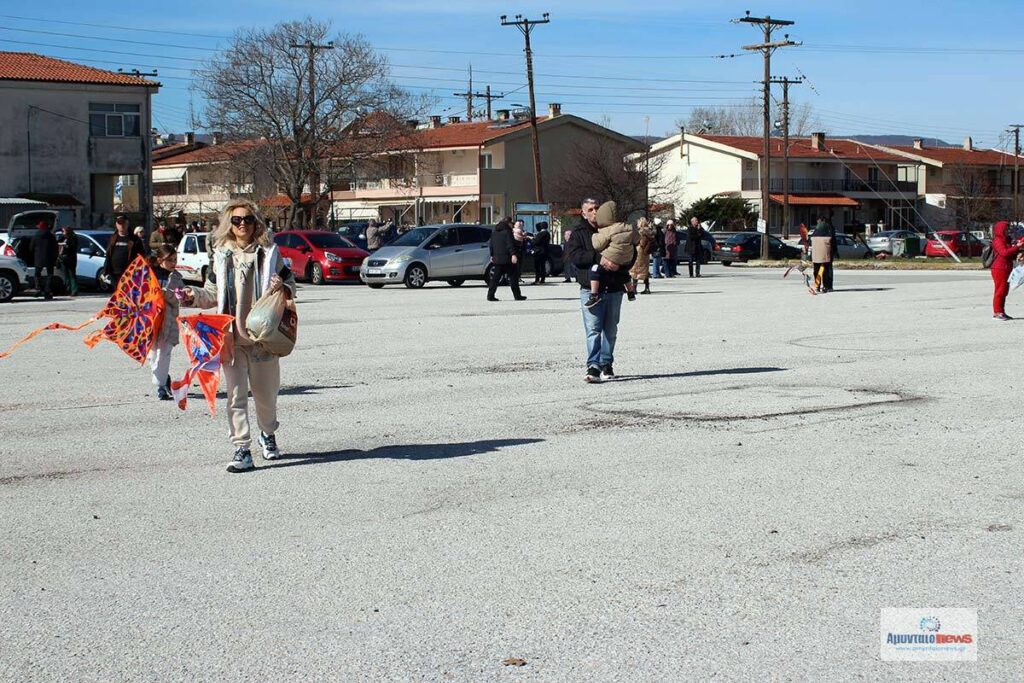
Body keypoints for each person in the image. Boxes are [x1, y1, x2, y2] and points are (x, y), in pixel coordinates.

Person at [179, 200, 296, 472]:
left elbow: (291, 284)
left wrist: (283, 289)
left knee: (266, 396)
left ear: (256, 223)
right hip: (230, 339)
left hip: (262, 338)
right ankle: (242, 448)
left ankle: (267, 433)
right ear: (228, 225)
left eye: (247, 219)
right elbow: (210, 294)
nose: (242, 224)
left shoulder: (269, 254)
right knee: (235, 396)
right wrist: (191, 295)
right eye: (236, 220)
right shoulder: (220, 257)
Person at [565, 199, 635, 383]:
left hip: (614, 286)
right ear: (583, 213)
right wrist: (599, 258)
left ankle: (606, 363)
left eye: (597, 208)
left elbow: (631, 253)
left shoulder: (617, 228)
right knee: (593, 330)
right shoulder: (579, 233)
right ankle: (593, 365)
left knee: (610, 330)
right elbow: (574, 256)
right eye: (590, 209)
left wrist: (620, 263)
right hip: (590, 288)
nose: (595, 212)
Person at [147, 244, 184, 401]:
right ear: (160, 260)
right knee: (152, 355)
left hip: (168, 322)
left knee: (164, 354)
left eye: (175, 259)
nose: (173, 263)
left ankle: (160, 386)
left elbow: (177, 300)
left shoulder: (176, 278)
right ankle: (163, 379)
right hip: (152, 322)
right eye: (170, 260)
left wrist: (166, 294)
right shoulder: (150, 275)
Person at [585, 201, 638, 308]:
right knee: (624, 273)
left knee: (595, 269)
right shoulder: (627, 227)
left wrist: (595, 236)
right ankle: (631, 291)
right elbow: (636, 240)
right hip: (626, 258)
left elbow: (598, 245)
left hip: (612, 257)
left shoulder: (607, 230)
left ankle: (594, 294)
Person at [486, 217, 526, 301]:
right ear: (508, 223)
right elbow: (509, 244)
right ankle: (517, 295)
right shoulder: (507, 231)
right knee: (513, 277)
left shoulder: (495, 231)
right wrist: (513, 255)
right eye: (512, 223)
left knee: (495, 279)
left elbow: (491, 244)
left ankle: (490, 295)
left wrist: (492, 255)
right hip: (507, 259)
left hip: (497, 258)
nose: (512, 225)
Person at [990, 220, 1022, 320]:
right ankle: (997, 312)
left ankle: (1001, 311)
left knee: (1004, 291)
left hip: (1006, 268)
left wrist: (1018, 254)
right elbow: (1004, 253)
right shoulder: (998, 240)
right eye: (1006, 229)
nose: (1007, 231)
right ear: (1000, 230)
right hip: (999, 268)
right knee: (1000, 290)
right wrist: (1017, 247)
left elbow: (1009, 254)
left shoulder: (1006, 240)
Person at [104, 215, 146, 288]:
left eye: (123, 223)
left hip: (129, 274)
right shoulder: (113, 238)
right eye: (119, 223)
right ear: (116, 225)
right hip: (114, 274)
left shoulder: (134, 239)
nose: (121, 225)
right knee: (118, 296)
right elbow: (108, 254)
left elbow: (141, 257)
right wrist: (106, 271)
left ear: (127, 224)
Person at [31, 219, 58, 300]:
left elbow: (31, 247)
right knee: (50, 275)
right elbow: (56, 248)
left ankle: (38, 288)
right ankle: (47, 291)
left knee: (37, 274)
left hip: (38, 258)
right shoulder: (51, 236)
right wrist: (55, 257)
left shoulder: (36, 235)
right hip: (49, 258)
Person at [811, 216, 837, 292]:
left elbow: (811, 241)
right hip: (826, 254)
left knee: (816, 270)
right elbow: (833, 242)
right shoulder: (829, 228)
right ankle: (827, 286)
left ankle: (817, 285)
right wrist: (835, 252)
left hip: (816, 254)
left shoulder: (815, 229)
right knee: (827, 271)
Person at [630, 217, 654, 295]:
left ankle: (634, 289)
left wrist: (636, 243)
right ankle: (647, 288)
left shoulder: (641, 232)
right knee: (645, 270)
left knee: (635, 269)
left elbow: (642, 243)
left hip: (640, 252)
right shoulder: (649, 231)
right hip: (646, 253)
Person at [56, 226, 79, 297]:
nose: (63, 233)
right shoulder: (63, 238)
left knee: (71, 274)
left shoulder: (73, 238)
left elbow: (73, 247)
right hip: (63, 259)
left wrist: (66, 245)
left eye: (64, 231)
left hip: (70, 259)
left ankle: (74, 290)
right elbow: (58, 242)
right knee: (65, 276)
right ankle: (67, 290)